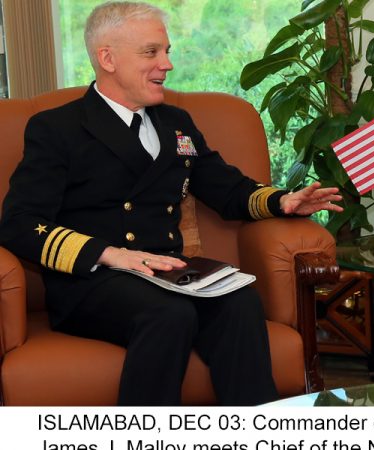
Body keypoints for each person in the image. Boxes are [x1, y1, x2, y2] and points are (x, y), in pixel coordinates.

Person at [0, 1, 343, 406]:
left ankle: (257, 427)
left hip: (168, 273)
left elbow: (225, 187)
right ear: (107, 59)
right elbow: (19, 222)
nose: (167, 64)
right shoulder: (58, 128)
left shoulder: (176, 123)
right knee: (168, 313)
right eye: (151, 52)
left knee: (239, 302)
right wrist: (111, 254)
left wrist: (283, 200)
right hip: (92, 282)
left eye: (166, 51)